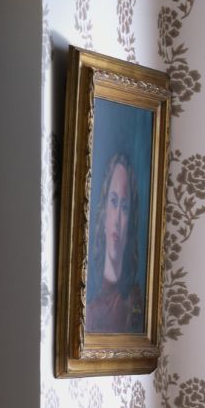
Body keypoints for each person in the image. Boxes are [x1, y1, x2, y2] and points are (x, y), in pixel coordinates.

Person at [84, 139, 147, 336]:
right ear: (103, 214)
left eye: (125, 207)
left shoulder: (135, 302)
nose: (118, 218)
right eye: (113, 202)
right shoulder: (90, 309)